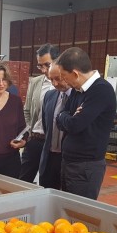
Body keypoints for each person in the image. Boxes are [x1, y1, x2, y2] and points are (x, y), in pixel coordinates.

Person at [56, 47, 117, 200]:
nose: (64, 81)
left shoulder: (101, 91)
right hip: (69, 163)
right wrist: (66, 116)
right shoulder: (78, 90)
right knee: (66, 212)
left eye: (64, 76)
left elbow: (75, 125)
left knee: (79, 217)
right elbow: (60, 116)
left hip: (85, 167)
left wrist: (67, 117)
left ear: (75, 74)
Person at [20, 43, 60, 183]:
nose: (43, 70)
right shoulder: (35, 82)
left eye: (47, 65)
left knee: (47, 182)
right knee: (23, 179)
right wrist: (29, 133)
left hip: (52, 146)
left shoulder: (64, 84)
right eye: (40, 66)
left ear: (57, 61)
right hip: (35, 140)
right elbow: (27, 110)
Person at [39, 61, 72, 190]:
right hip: (49, 158)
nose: (54, 84)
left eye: (58, 79)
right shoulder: (49, 96)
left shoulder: (79, 98)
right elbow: (46, 125)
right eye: (51, 79)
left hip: (68, 159)